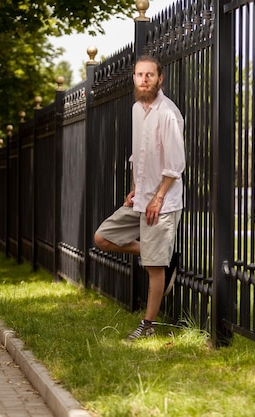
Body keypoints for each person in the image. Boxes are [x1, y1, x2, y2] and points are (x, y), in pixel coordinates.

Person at [94, 55, 185, 341]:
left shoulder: (169, 113)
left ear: (160, 79)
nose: (144, 80)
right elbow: (139, 156)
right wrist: (135, 188)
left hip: (163, 201)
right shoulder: (136, 109)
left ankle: (147, 326)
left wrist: (157, 198)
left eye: (149, 75)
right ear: (133, 78)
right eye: (139, 75)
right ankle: (161, 258)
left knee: (153, 269)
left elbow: (174, 165)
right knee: (103, 237)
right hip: (141, 198)